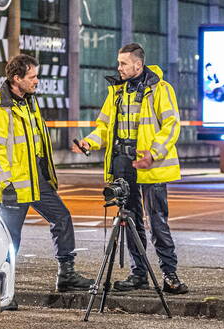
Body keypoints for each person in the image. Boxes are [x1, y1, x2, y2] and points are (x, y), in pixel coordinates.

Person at [0, 54, 94, 305]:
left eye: (36, 76)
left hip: (35, 180)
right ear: (16, 78)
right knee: (11, 240)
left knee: (62, 217)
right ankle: (3, 293)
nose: (37, 81)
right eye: (32, 77)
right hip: (13, 184)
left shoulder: (29, 103)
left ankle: (67, 275)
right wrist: (5, 183)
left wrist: (47, 175)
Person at [76, 43, 188, 295]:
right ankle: (139, 274)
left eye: (123, 63)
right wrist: (89, 143)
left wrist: (154, 153)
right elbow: (104, 126)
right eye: (119, 63)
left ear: (138, 64)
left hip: (151, 166)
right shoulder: (116, 92)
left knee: (157, 222)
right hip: (123, 165)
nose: (119, 68)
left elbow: (171, 125)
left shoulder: (160, 89)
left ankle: (170, 275)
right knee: (132, 222)